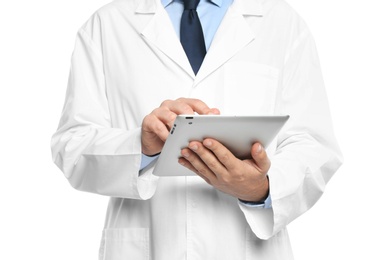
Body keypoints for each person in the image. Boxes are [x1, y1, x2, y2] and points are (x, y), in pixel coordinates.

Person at [51, 0, 343, 259]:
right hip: (147, 246)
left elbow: (314, 145)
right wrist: (139, 146)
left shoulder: (282, 23)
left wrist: (261, 189)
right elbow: (72, 144)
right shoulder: (107, 24)